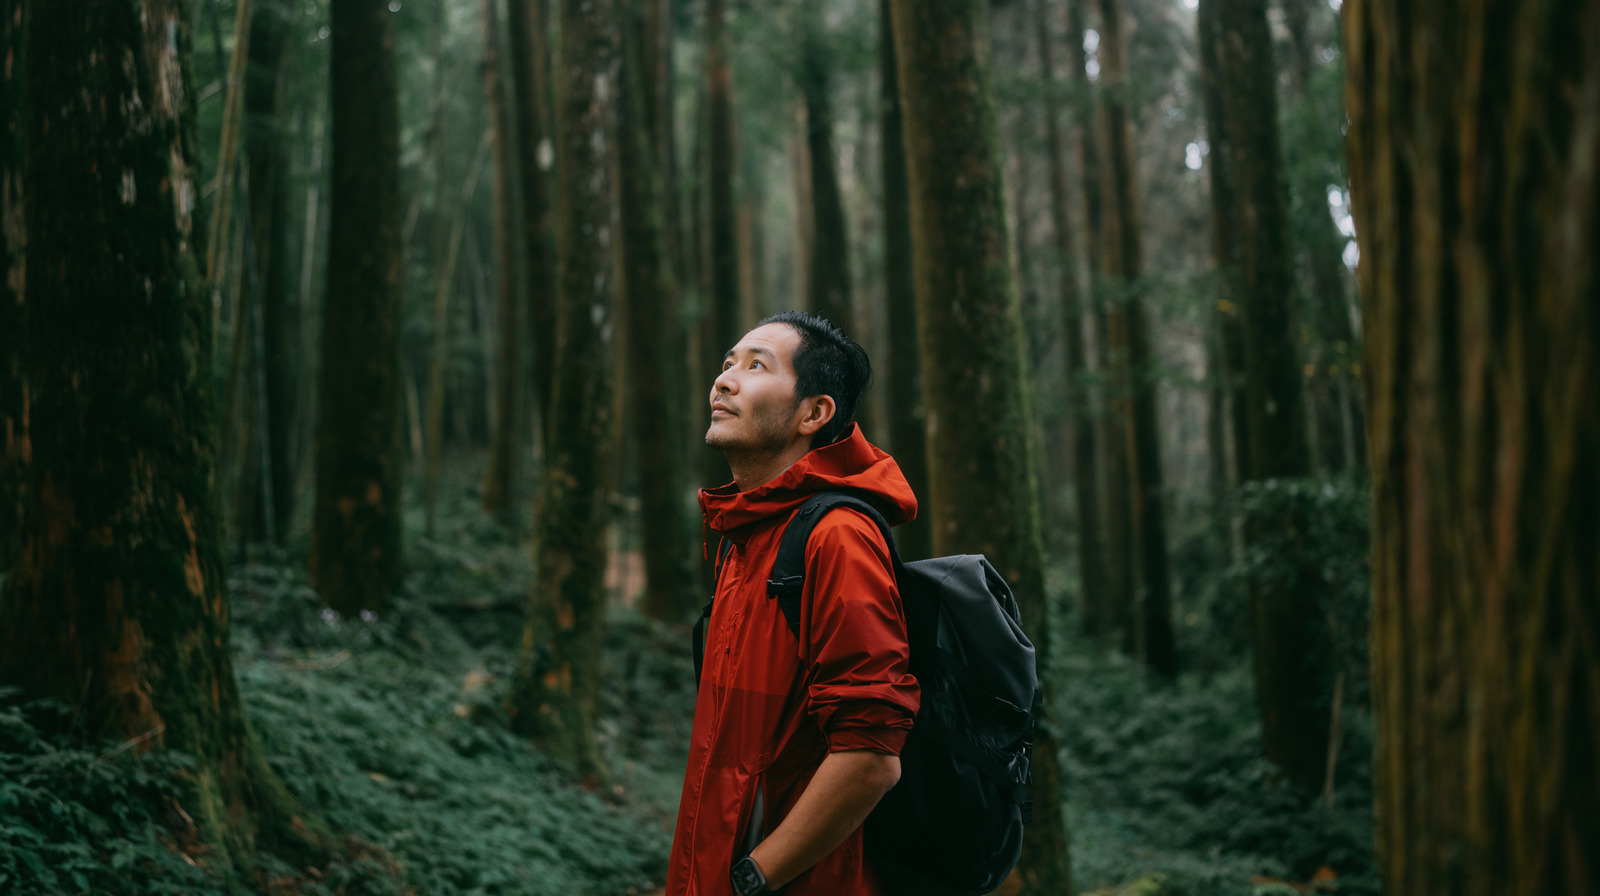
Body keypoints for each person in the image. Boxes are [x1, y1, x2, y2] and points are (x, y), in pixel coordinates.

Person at [665, 311, 921, 896]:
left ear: (815, 412)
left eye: (757, 366)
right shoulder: (748, 537)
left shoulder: (837, 537)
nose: (725, 380)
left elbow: (870, 755)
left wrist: (752, 878)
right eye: (728, 363)